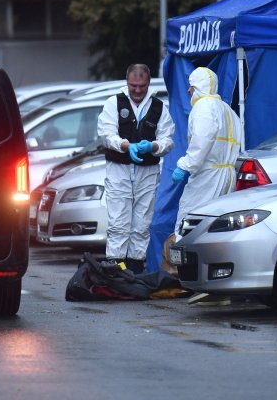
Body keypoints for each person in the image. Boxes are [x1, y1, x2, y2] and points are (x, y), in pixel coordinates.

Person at [98, 64, 175, 273]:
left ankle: (135, 267)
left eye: (142, 86)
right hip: (118, 169)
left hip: (147, 172)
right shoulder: (113, 103)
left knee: (142, 223)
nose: (138, 90)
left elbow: (168, 140)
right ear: (127, 82)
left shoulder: (159, 107)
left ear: (148, 83)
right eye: (133, 86)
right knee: (118, 222)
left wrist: (153, 146)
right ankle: (116, 268)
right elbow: (106, 134)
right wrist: (126, 145)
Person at [172, 67, 244, 239]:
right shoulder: (226, 109)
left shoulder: (204, 107)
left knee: (189, 220)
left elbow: (201, 141)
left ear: (199, 86)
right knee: (217, 226)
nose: (189, 90)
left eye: (192, 86)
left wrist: (185, 165)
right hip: (228, 175)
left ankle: (182, 263)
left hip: (208, 176)